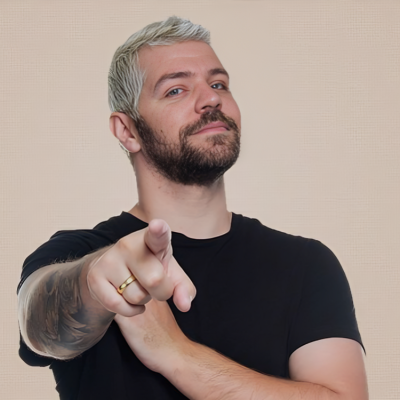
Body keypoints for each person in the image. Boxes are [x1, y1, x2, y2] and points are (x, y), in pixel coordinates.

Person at [17, 16, 368, 400]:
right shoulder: (78, 253)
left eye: (218, 84)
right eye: (176, 90)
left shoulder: (306, 265)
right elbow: (39, 325)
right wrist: (95, 281)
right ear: (127, 131)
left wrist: (175, 353)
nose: (211, 99)